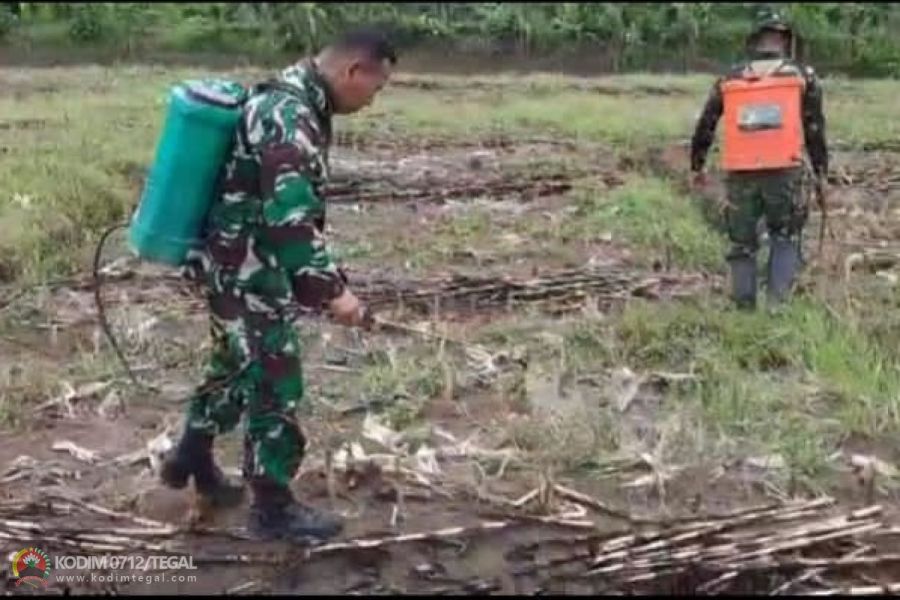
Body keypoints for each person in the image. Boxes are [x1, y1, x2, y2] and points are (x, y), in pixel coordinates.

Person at [160, 29, 396, 543]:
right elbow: (291, 221)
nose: (373, 101)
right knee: (274, 379)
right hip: (249, 269)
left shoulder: (289, 98)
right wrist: (335, 293)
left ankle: (192, 455)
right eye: (376, 88)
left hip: (232, 261)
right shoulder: (288, 114)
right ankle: (272, 507)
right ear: (354, 71)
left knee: (231, 364)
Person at [690, 10, 828, 309]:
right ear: (785, 41)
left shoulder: (729, 78)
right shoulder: (803, 76)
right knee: (785, 235)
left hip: (740, 172)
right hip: (785, 171)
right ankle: (777, 306)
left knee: (742, 243)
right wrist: (821, 173)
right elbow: (814, 129)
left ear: (754, 41)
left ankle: (744, 308)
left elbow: (705, 125)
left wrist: (697, 166)